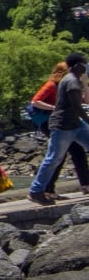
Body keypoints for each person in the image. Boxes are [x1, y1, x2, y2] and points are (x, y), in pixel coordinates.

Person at [30, 53, 89, 206]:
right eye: (85, 64)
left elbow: (84, 103)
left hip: (75, 124)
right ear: (78, 65)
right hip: (62, 125)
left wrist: (85, 83)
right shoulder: (71, 81)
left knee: (74, 153)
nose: (86, 67)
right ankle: (36, 190)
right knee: (54, 158)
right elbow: (77, 107)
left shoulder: (74, 80)